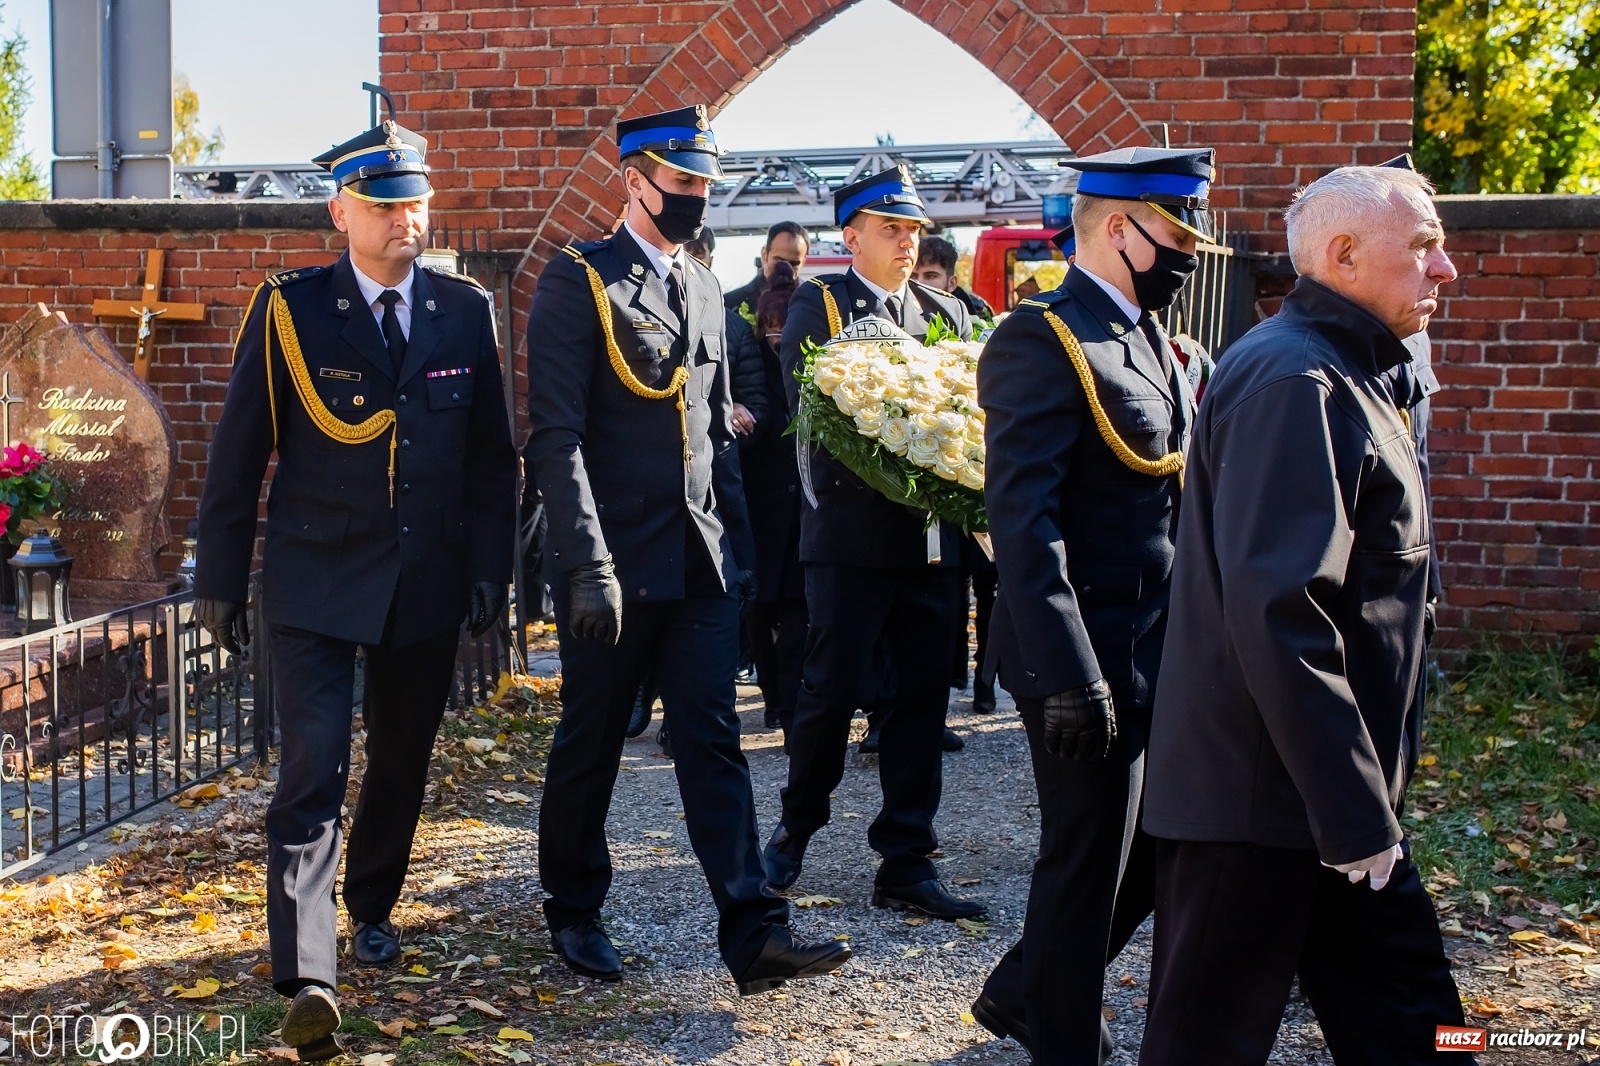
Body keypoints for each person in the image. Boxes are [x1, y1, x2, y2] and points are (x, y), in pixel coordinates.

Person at [194, 121, 517, 1062]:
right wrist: (219, 575)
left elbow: (494, 462)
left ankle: (373, 904)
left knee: (403, 762)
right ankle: (308, 974)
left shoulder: (462, 311)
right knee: (314, 772)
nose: (404, 217)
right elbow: (239, 448)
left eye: (414, 200)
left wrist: (493, 571)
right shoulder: (291, 310)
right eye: (383, 203)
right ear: (341, 211)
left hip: (424, 583)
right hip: (315, 581)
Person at [1139, 164, 1469, 1065]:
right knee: (1205, 1044)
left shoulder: (1345, 369)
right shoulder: (1300, 381)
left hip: (1319, 797)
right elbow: (1283, 611)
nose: (1445, 271)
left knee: (1421, 1025)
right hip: (1267, 807)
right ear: (1345, 254)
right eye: (1426, 248)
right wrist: (1356, 817)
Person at [525, 105, 850, 996]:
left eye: (707, 183)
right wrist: (586, 563)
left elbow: (714, 441)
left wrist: (738, 558)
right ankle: (575, 906)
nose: (697, 197)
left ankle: (753, 931)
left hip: (699, 562)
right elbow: (555, 436)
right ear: (635, 181)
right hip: (613, 565)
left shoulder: (706, 287)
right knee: (590, 740)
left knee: (713, 740)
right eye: (682, 182)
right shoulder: (579, 279)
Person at [973, 146, 1211, 1064]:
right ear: (1120, 227)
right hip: (1080, 653)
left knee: (1155, 850)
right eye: (1176, 232)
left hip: (1154, 644)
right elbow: (1023, 521)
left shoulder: (1144, 333)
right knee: (1085, 862)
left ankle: (1020, 988)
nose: (1187, 254)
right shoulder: (1043, 336)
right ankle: (1060, 1037)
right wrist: (1071, 673)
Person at [765, 166, 983, 921]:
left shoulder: (943, 314)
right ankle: (796, 830)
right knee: (831, 692)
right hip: (851, 537)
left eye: (913, 229)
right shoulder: (818, 305)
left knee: (924, 698)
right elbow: (821, 413)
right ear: (850, 235)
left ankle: (907, 857)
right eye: (891, 229)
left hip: (928, 542)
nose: (906, 241)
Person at [743, 259, 808, 737]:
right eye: (771, 327)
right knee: (760, 610)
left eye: (784, 327)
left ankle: (789, 707)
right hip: (761, 510)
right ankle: (772, 698)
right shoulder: (751, 374)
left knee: (796, 611)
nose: (778, 336)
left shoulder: (809, 369)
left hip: (800, 513)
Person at [724, 220, 811, 318]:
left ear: (804, 261)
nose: (786, 268)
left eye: (794, 263)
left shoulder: (815, 303)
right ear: (764, 254)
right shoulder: (729, 305)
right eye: (779, 261)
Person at [913, 234, 995, 321]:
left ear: (951, 283)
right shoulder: (897, 317)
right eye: (912, 276)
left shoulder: (978, 317)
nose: (918, 283)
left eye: (930, 276)